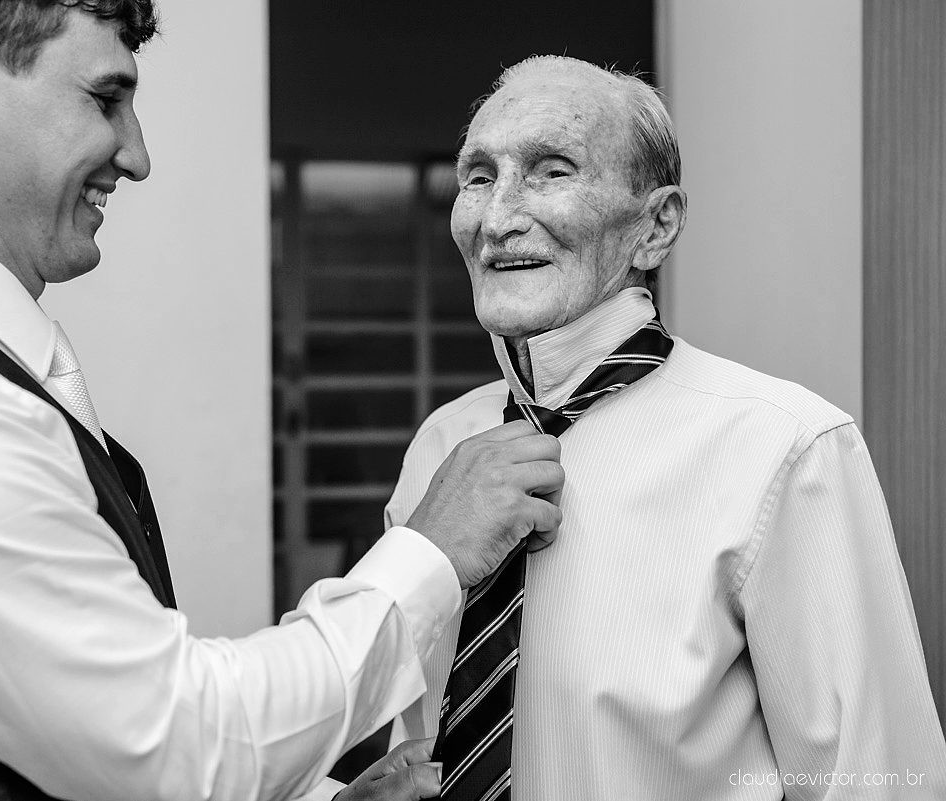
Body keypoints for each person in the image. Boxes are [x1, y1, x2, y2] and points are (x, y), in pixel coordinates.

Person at [0, 3, 566, 800]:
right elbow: (182, 749)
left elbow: (80, 746)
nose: (136, 156)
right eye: (106, 99)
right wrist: (428, 551)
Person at [380, 55, 946, 800]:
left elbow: (873, 778)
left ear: (657, 225)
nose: (496, 217)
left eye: (553, 170)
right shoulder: (441, 447)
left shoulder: (787, 446)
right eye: (479, 175)